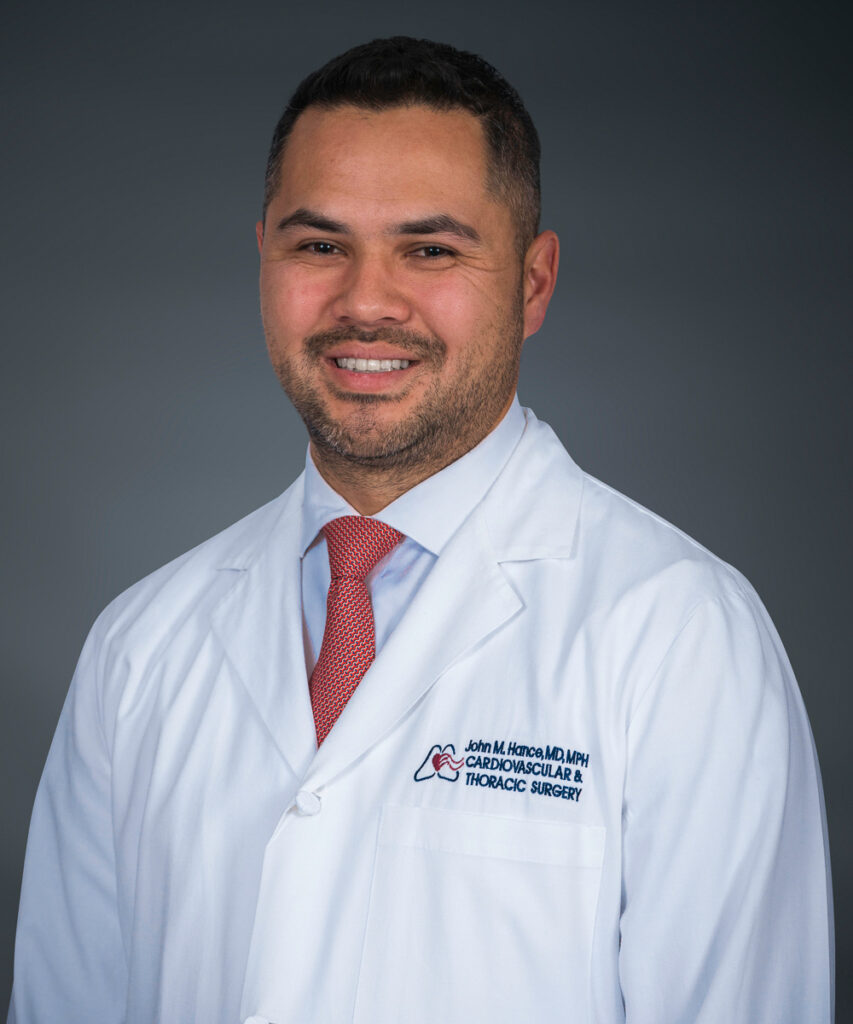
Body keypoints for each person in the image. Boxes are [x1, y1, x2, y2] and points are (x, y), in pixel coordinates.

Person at [8, 36, 833, 1024]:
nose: (365, 303)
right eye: (320, 246)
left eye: (430, 250)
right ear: (263, 257)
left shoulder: (678, 636)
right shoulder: (139, 648)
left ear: (533, 282)